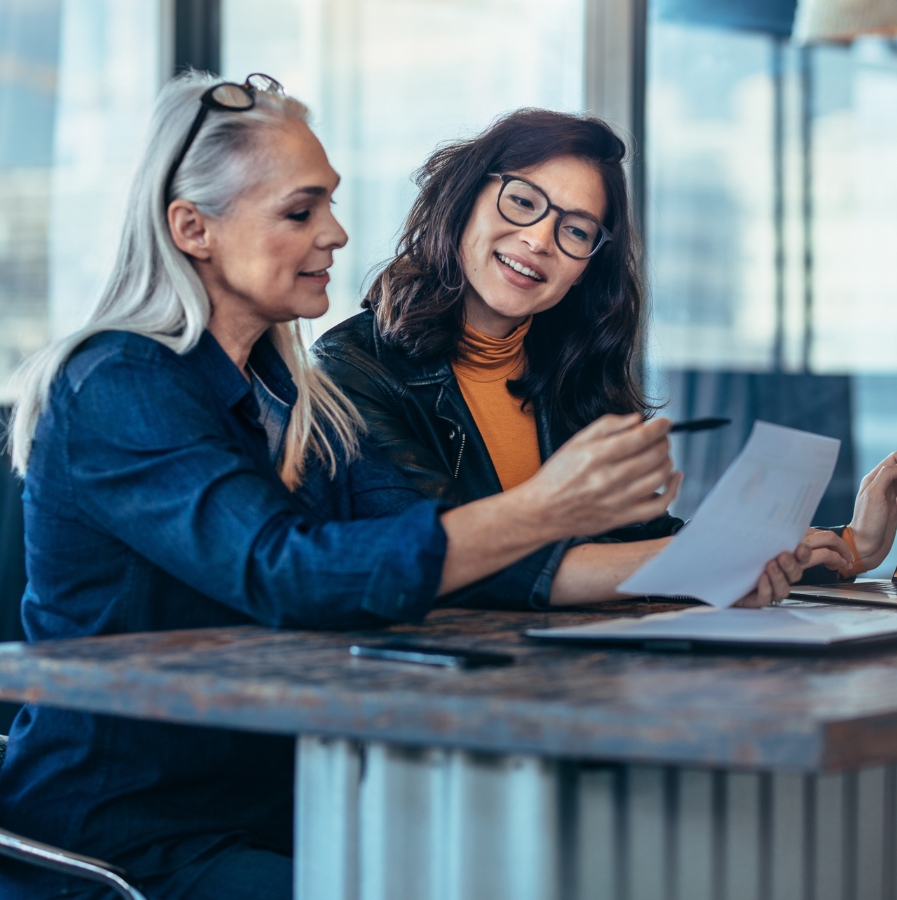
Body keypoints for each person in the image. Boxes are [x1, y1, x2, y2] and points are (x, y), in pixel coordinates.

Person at [0, 75, 831, 900]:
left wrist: (716, 561)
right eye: (301, 211)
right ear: (194, 229)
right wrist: (547, 507)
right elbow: (286, 571)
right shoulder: (116, 384)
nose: (335, 233)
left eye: (329, 204)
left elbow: (441, 548)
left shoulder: (293, 398)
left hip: (278, 801)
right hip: (130, 835)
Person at [314, 108, 897, 584]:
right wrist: (707, 564)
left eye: (575, 230)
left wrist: (850, 546)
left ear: (588, 264)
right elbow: (444, 558)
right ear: (464, 198)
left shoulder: (573, 368)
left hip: (581, 678)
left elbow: (641, 542)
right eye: (523, 201)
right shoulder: (351, 369)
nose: (538, 240)